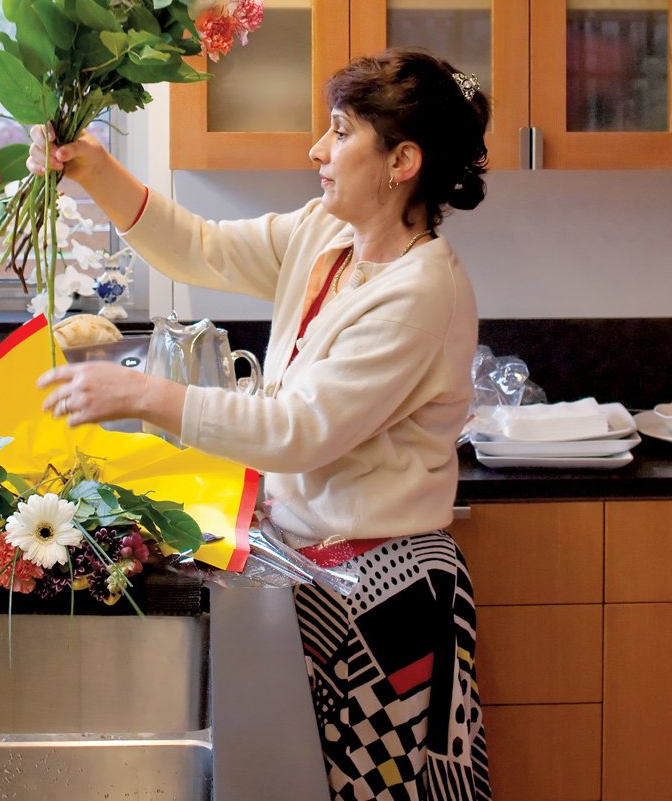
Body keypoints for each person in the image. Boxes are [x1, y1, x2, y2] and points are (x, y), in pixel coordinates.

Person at [33, 48, 493, 801]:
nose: (317, 149)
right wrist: (91, 167)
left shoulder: (423, 289)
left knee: (389, 788)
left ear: (401, 160)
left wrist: (148, 395)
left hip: (387, 597)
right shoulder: (327, 237)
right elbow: (199, 248)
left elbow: (298, 430)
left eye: (341, 132)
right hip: (319, 575)